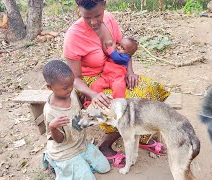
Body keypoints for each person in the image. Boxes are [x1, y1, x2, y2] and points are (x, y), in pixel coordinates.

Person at [64, 0, 170, 168]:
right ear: (79, 11)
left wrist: (130, 72)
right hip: (92, 83)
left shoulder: (110, 19)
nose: (93, 22)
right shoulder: (74, 36)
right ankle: (105, 146)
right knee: (121, 105)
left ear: (104, 5)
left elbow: (125, 49)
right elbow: (75, 79)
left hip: (116, 73)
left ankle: (141, 136)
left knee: (149, 88)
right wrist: (93, 94)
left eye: (97, 15)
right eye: (87, 17)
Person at [42, 60, 110, 180]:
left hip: (80, 144)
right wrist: (53, 127)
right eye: (65, 88)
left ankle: (79, 165)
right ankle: (52, 160)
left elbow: (77, 112)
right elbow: (59, 140)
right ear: (49, 87)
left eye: (72, 84)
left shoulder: (71, 93)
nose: (70, 89)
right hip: (65, 152)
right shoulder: (51, 111)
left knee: (105, 167)